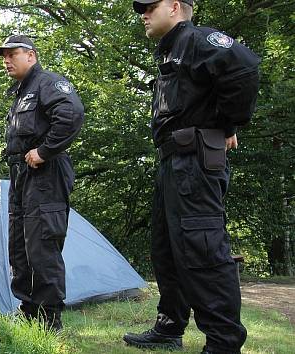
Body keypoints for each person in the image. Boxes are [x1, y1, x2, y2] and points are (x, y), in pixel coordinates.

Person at [123, 1, 260, 353]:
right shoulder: (171, 49)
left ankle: (223, 343)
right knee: (166, 248)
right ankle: (170, 329)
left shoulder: (198, 39)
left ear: (173, 6)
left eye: (150, 6)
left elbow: (243, 66)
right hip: (173, 162)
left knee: (203, 248)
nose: (143, 14)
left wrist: (227, 123)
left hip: (195, 162)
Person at [0, 35, 84, 331]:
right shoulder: (20, 92)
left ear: (30, 55)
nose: (6, 60)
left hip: (45, 176)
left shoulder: (47, 83)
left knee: (42, 246)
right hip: (21, 176)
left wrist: (45, 151)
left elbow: (71, 114)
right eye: (3, 56)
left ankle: (48, 319)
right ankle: (28, 311)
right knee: (19, 245)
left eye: (11, 54)